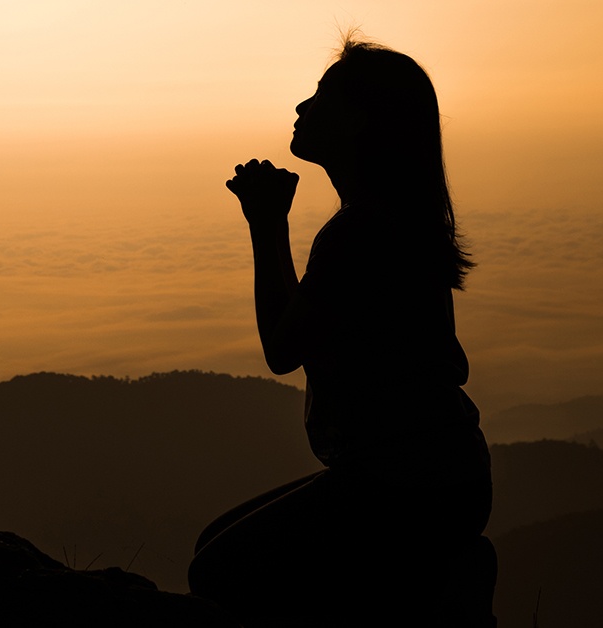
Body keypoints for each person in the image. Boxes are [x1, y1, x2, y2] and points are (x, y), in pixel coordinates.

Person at [188, 38, 493, 626]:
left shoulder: (364, 232)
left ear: (365, 124)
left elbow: (281, 348)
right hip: (433, 478)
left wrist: (266, 223)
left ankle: (440, 592)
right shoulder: (388, 221)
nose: (302, 107)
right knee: (214, 547)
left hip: (406, 488)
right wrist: (271, 222)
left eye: (324, 98)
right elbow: (301, 327)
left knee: (219, 573)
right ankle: (441, 581)